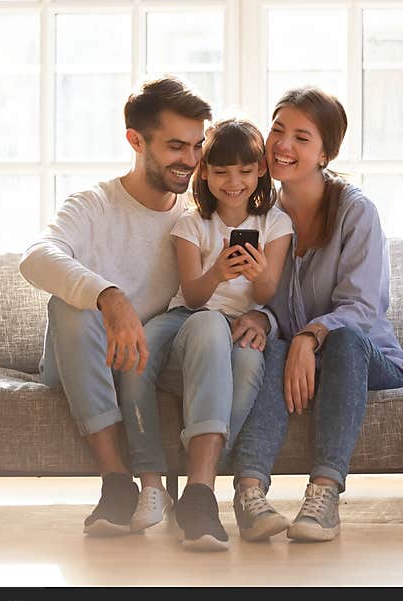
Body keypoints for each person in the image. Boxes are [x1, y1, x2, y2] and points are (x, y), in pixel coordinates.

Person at [18, 77, 271, 537]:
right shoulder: (94, 204)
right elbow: (36, 258)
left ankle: (199, 494)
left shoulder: (199, 216)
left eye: (197, 146)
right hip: (86, 357)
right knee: (70, 307)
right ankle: (117, 484)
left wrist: (261, 315)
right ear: (136, 141)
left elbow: (242, 289)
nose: (191, 160)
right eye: (176, 146)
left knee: (210, 325)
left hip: (157, 359)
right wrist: (108, 297)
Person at [229, 87, 403, 542]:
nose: (283, 145)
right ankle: (249, 494)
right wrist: (261, 320)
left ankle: (324, 496)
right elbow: (268, 302)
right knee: (263, 346)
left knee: (345, 341)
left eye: (301, 137)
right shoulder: (260, 216)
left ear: (325, 153)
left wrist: (310, 336)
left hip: (367, 358)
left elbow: (363, 310)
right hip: (297, 358)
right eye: (277, 129)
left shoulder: (356, 211)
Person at [117, 118, 292, 550]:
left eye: (245, 171)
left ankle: (199, 483)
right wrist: (217, 271)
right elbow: (194, 296)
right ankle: (152, 479)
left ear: (260, 172)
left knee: (250, 361)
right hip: (187, 318)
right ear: (205, 173)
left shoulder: (275, 223)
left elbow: (269, 294)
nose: (233, 182)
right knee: (136, 358)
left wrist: (259, 273)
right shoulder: (191, 224)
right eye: (221, 171)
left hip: (240, 326)